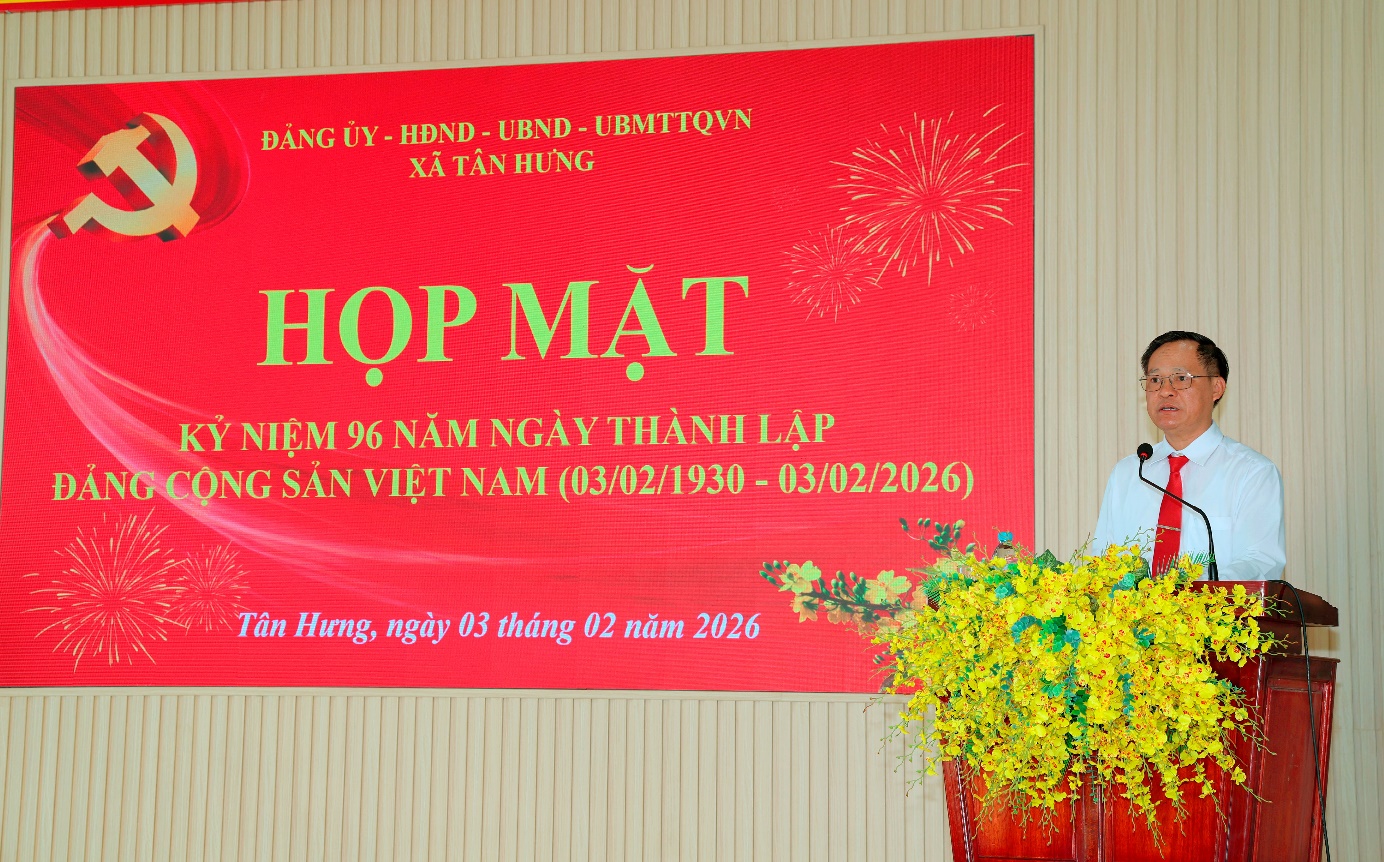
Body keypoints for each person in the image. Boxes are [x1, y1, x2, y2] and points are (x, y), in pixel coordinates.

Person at [1093, 331, 1286, 579]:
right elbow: (1103, 561)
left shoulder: (1252, 473)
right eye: (1155, 380)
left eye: (1181, 378)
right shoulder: (1129, 473)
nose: (1165, 391)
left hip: (1213, 605)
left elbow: (1261, 562)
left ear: (1216, 387)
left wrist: (1187, 593)